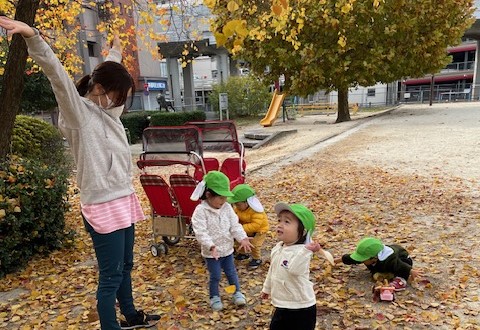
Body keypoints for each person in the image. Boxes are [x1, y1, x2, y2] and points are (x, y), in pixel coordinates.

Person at [0, 16, 159, 329]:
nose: (121, 104)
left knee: (125, 265)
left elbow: (108, 73)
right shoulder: (78, 114)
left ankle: (130, 316)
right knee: (111, 275)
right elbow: (57, 76)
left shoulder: (106, 108)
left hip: (123, 199)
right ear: (100, 90)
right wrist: (35, 38)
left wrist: (115, 51)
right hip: (101, 204)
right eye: (119, 96)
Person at [190, 171, 253, 311]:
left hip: (228, 250)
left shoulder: (226, 208)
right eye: (220, 197)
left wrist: (242, 237)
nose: (224, 201)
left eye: (225, 197)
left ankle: (236, 293)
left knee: (231, 272)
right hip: (213, 253)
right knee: (216, 275)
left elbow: (234, 225)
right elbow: (200, 232)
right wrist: (210, 246)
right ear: (208, 195)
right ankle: (214, 296)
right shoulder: (201, 211)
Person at [261, 202, 321, 330]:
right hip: (282, 304)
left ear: (303, 231)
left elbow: (294, 270)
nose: (280, 224)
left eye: (287, 222)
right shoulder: (278, 248)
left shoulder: (302, 253)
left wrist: (306, 250)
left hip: (302, 307)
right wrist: (267, 288)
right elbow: (272, 270)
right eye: (279, 220)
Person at [335, 237, 423, 291]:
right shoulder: (368, 257)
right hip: (380, 263)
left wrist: (411, 271)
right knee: (377, 273)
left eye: (363, 259)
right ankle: (385, 273)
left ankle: (400, 281)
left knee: (398, 269)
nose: (361, 261)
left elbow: (400, 265)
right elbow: (351, 258)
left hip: (401, 260)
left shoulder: (389, 259)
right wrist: (338, 260)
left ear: (374, 257)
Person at [227, 184, 269, 269]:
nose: (236, 206)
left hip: (259, 231)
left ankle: (257, 258)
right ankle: (243, 253)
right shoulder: (238, 209)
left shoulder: (256, 211)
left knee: (255, 244)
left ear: (246, 203)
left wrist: (241, 228)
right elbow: (235, 217)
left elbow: (256, 225)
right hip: (246, 229)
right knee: (240, 240)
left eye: (238, 204)